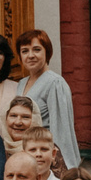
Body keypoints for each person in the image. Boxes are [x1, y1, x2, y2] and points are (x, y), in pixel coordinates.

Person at [13, 29, 79, 169]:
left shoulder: (54, 83)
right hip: (27, 157)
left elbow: (62, 130)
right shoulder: (22, 83)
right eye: (25, 51)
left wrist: (61, 166)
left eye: (36, 50)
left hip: (46, 159)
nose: (31, 55)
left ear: (47, 52)